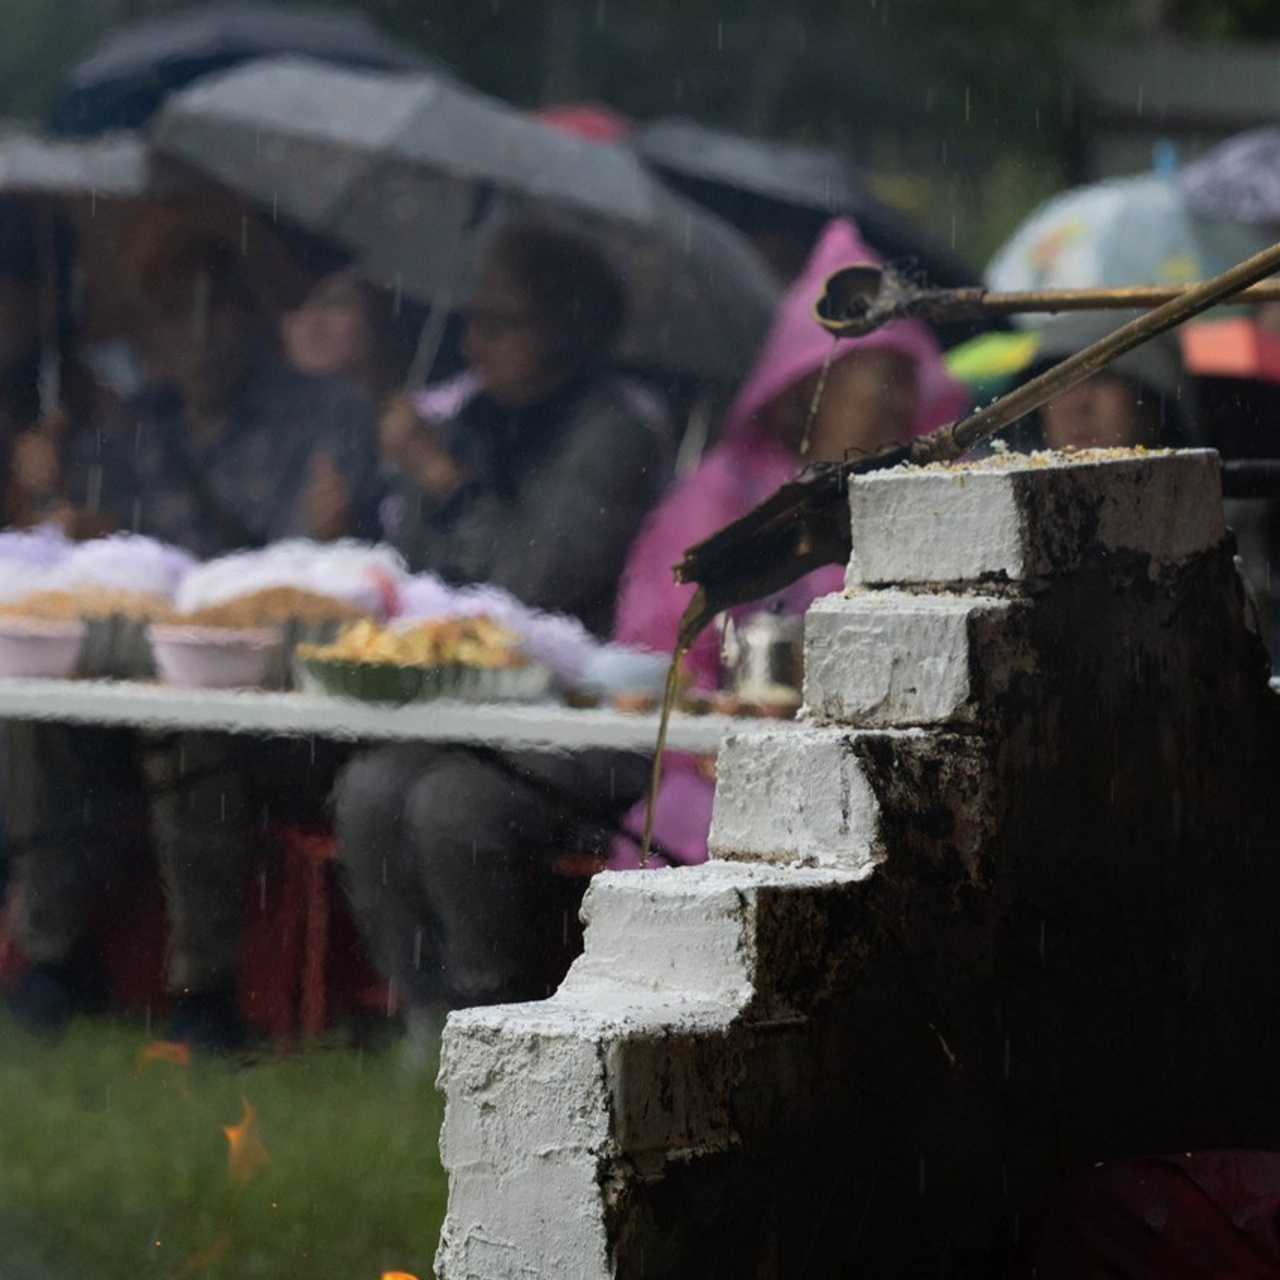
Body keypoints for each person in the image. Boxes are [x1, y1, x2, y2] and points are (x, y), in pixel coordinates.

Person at [3, 207, 383, 1047]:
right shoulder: (117, 432)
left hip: (270, 703)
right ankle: (55, 956)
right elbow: (75, 577)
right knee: (36, 710)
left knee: (186, 718)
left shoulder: (327, 417)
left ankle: (202, 988)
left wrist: (326, 537)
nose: (202, 333)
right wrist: (49, 505)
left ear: (254, 316)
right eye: (176, 312)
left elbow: (310, 584)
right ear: (147, 332)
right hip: (127, 687)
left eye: (221, 308)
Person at [331, 218, 673, 1046]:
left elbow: (539, 584)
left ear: (565, 327)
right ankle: (420, 1010)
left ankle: (492, 1019)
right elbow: (415, 577)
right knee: (369, 794)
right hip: (460, 700)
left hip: (576, 709)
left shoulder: (614, 433)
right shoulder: (461, 420)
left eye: (502, 320)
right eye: (470, 318)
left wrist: (442, 482)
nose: (474, 339)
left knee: (452, 809)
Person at [609, 216, 970, 868]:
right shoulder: (720, 495)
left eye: (903, 378)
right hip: (723, 774)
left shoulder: (932, 502)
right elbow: (658, 656)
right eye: (876, 377)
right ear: (807, 388)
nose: (897, 403)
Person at [1005, 311, 1196, 454]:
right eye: (1060, 382)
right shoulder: (1000, 506)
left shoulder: (1207, 506)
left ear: (1153, 401)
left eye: (1103, 378)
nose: (1077, 403)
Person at [281, 268, 419, 406]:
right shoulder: (268, 408)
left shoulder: (405, 417)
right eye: (301, 305)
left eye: (336, 303)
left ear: (371, 333)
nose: (313, 318)